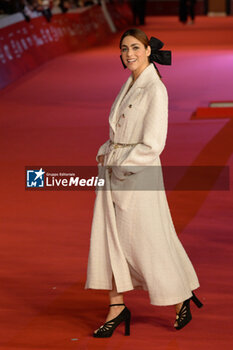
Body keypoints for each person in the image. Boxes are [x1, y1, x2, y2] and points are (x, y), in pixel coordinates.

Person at [84, 28, 203, 337]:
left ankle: (179, 296)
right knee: (112, 239)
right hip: (115, 171)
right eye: (124, 48)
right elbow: (119, 132)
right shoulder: (131, 83)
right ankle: (116, 305)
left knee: (147, 242)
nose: (129, 53)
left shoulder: (154, 89)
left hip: (138, 175)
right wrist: (105, 153)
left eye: (135, 47)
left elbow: (153, 144)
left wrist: (120, 162)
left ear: (149, 50)